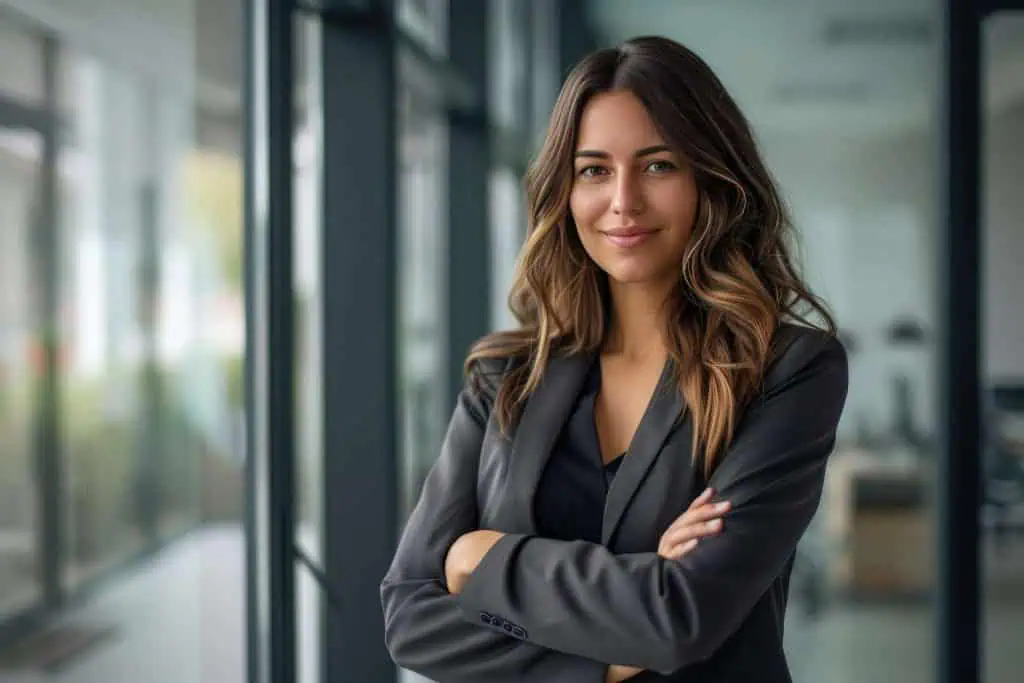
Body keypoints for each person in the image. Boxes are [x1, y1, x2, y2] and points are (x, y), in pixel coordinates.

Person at [380, 35, 848, 683]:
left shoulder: (788, 370)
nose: (623, 201)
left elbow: (680, 617)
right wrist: (614, 647)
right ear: (565, 192)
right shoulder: (506, 376)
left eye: (658, 166)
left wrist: (481, 559)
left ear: (711, 178)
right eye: (594, 170)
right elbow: (410, 614)